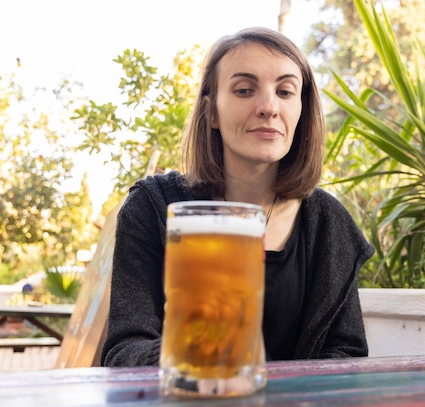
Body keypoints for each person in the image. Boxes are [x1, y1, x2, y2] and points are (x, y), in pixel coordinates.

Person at [101, 26, 374, 367]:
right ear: (211, 111)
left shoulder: (328, 223)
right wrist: (189, 353)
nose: (268, 107)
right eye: (244, 90)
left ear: (301, 111)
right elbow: (124, 350)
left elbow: (346, 354)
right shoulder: (155, 206)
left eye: (286, 92)